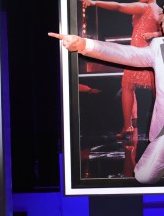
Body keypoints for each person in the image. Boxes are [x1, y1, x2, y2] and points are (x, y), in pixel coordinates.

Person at [51, 16, 164, 184]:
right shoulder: (158, 47)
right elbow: (127, 54)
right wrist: (84, 44)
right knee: (144, 176)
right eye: (162, 22)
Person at [80, 0, 162, 139]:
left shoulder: (144, 7)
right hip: (152, 56)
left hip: (136, 55)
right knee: (156, 92)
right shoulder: (159, 11)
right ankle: (153, 126)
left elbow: (118, 6)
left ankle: (127, 126)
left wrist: (94, 2)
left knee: (127, 87)